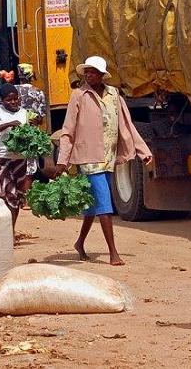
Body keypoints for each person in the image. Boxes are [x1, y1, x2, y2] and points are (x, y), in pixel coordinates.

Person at [55, 56, 153, 266]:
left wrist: (142, 150)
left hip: (109, 158)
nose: (88, 75)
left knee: (93, 205)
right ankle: (113, 253)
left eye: (93, 72)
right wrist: (62, 161)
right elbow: (68, 130)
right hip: (88, 158)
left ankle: (80, 242)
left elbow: (127, 125)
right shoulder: (79, 95)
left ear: (101, 75)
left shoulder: (114, 94)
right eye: (86, 72)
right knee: (105, 205)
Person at [0, 84, 31, 231]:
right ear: (2, 100)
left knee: (17, 197)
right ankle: (6, 231)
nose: (12, 102)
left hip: (20, 159)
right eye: (8, 99)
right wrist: (8, 124)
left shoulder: (24, 112)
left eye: (15, 99)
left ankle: (11, 229)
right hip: (3, 159)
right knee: (8, 194)